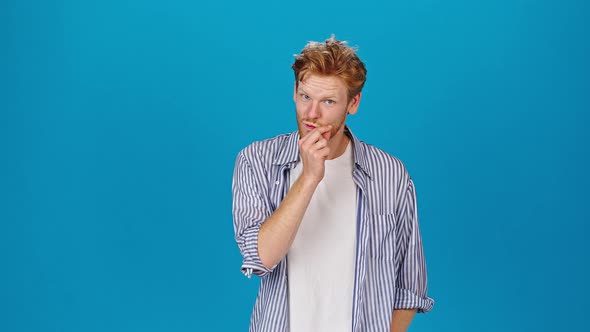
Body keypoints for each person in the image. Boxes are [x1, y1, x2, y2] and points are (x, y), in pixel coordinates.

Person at [232, 35, 434, 332]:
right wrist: (311, 176)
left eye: (328, 101)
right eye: (305, 97)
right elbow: (260, 257)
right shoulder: (257, 161)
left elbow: (409, 286)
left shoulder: (390, 174)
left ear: (353, 103)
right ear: (294, 92)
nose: (312, 114)